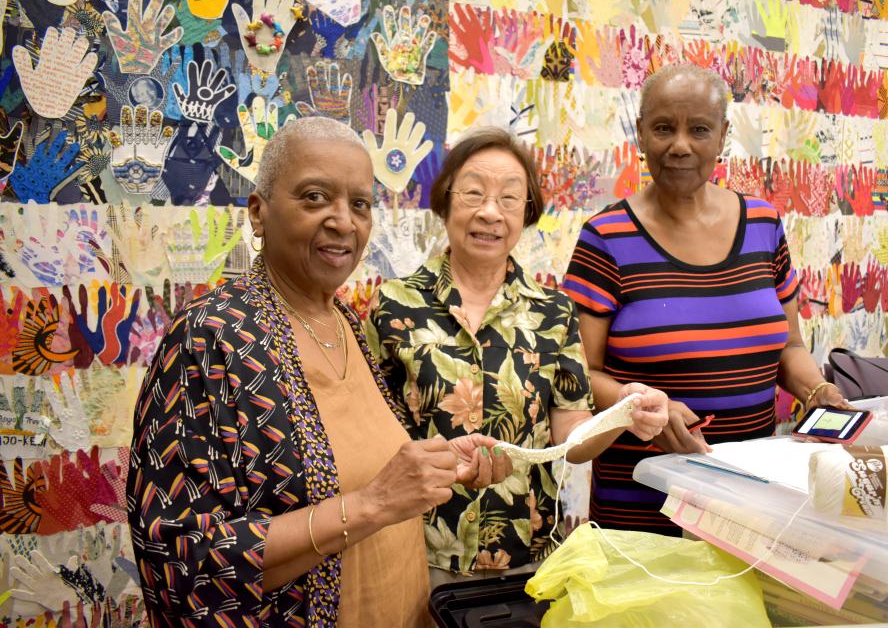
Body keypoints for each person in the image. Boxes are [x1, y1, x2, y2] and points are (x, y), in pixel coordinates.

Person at [126, 117, 511, 628]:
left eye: (360, 204)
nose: (344, 222)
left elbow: (369, 469)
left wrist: (441, 469)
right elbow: (181, 562)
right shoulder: (210, 339)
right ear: (259, 214)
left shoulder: (346, 321)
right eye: (314, 197)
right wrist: (372, 504)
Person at [366, 127, 670, 584]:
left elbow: (574, 437)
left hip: (525, 554)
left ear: (526, 214)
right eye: (473, 193)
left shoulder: (554, 311)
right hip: (417, 548)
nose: (490, 212)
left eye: (510, 199)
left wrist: (625, 413)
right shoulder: (393, 305)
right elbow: (370, 435)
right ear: (445, 201)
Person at [562, 63, 849, 535]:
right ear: (640, 134)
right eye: (663, 128)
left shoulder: (763, 226)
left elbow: (789, 349)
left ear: (723, 136)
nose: (680, 145)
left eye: (698, 129)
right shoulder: (605, 239)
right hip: (641, 507)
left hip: (748, 498)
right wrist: (641, 406)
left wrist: (819, 392)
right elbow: (579, 376)